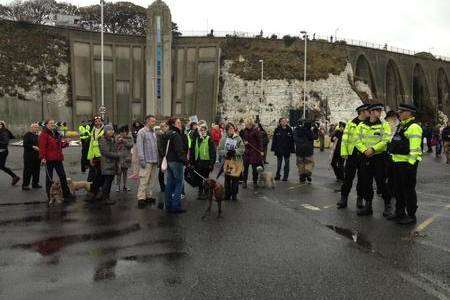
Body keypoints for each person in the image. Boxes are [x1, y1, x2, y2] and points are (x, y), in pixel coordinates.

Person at [354, 103, 392, 216]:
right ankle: (368, 206)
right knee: (366, 182)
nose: (379, 113)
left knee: (381, 182)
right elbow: (357, 140)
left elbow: (385, 140)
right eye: (376, 111)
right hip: (365, 156)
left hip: (379, 157)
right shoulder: (361, 125)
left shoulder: (384, 125)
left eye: (380, 111)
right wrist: (365, 150)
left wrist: (373, 149)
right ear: (370, 112)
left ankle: (387, 205)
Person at [388, 103, 423, 224]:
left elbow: (415, 148)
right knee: (398, 190)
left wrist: (411, 164)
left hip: (407, 164)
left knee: (408, 190)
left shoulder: (414, 127)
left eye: (402, 112)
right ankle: (399, 212)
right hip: (397, 162)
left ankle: (411, 215)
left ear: (409, 113)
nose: (399, 113)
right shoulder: (401, 126)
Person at [337, 104, 370, 209]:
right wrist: (344, 152)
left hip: (363, 155)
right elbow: (345, 139)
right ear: (362, 112)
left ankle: (359, 199)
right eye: (367, 111)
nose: (369, 112)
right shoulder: (351, 123)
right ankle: (343, 198)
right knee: (348, 178)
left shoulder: (369, 123)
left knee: (362, 178)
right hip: (352, 155)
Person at [39, 119, 74, 201]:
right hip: (49, 159)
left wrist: (66, 142)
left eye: (53, 123)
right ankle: (50, 195)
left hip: (58, 158)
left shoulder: (55, 133)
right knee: (49, 178)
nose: (52, 124)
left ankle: (66, 193)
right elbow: (42, 147)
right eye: (50, 123)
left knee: (62, 176)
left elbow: (59, 144)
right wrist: (43, 158)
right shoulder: (44, 134)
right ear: (46, 125)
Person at [164, 117, 188, 214]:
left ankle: (168, 204)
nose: (180, 124)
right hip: (176, 161)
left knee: (170, 182)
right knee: (178, 183)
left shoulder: (167, 133)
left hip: (169, 161)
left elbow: (162, 147)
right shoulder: (176, 135)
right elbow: (179, 150)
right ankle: (175, 206)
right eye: (178, 122)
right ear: (173, 124)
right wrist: (185, 160)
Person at [135, 115, 159, 209]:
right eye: (153, 121)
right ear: (147, 122)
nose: (154, 123)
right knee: (143, 180)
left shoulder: (153, 132)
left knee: (151, 180)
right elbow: (139, 147)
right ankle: (141, 198)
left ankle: (148, 196)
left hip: (154, 160)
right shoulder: (142, 132)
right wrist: (141, 159)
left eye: (154, 121)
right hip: (146, 160)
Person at [218, 123, 245, 201]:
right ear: (227, 130)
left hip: (237, 162)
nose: (232, 130)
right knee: (227, 179)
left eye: (233, 129)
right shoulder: (223, 139)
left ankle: (234, 195)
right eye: (230, 129)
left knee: (235, 179)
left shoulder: (238, 138)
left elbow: (242, 149)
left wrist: (235, 151)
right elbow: (219, 150)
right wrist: (226, 152)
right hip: (228, 162)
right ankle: (227, 195)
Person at [190, 123, 216, 199]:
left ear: (206, 131)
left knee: (206, 178)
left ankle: (206, 192)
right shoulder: (196, 139)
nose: (202, 131)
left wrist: (212, 163)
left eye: (204, 130)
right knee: (199, 178)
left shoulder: (209, 139)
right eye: (201, 130)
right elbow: (192, 150)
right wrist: (191, 161)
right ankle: (200, 192)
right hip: (198, 162)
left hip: (206, 162)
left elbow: (212, 152)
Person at [98, 124, 121, 205]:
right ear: (105, 131)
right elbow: (106, 152)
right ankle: (105, 198)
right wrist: (117, 155)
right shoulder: (103, 140)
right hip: (107, 163)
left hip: (111, 163)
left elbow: (113, 149)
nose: (112, 131)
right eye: (109, 130)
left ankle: (106, 196)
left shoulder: (111, 139)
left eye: (112, 130)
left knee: (109, 181)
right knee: (107, 181)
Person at [241, 118, 263, 189]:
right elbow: (242, 138)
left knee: (254, 169)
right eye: (246, 124)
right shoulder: (244, 130)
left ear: (250, 124)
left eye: (247, 124)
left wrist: (261, 151)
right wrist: (244, 142)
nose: (246, 125)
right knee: (245, 168)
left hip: (254, 152)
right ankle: (244, 182)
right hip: (246, 151)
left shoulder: (256, 130)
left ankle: (255, 182)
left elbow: (260, 142)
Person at [87, 116, 104, 199]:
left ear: (101, 122)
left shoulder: (104, 130)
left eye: (99, 121)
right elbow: (91, 145)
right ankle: (95, 191)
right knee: (95, 174)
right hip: (94, 156)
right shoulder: (93, 130)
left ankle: (99, 190)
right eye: (96, 121)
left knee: (100, 174)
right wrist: (90, 157)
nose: (97, 122)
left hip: (102, 155)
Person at [22, 123, 41, 190]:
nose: (36, 128)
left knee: (36, 170)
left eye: (37, 127)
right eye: (35, 127)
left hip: (37, 156)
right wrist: (33, 147)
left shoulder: (37, 135)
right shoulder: (27, 135)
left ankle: (35, 183)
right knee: (28, 171)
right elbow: (25, 144)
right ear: (31, 128)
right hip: (29, 156)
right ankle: (25, 185)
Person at [0, 121, 20, 186]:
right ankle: (15, 177)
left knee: (1, 166)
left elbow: (5, 142)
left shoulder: (4, 132)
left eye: (0, 124)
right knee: (1, 166)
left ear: (2, 125)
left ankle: (15, 177)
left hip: (2, 152)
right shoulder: (3, 131)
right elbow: (12, 137)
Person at [115, 125, 133, 192]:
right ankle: (118, 186)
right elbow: (114, 146)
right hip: (119, 158)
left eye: (125, 132)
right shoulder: (117, 137)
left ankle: (125, 185)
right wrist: (118, 141)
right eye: (122, 132)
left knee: (125, 172)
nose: (123, 133)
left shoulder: (129, 138)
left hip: (127, 158)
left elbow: (130, 145)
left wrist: (124, 141)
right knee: (119, 172)